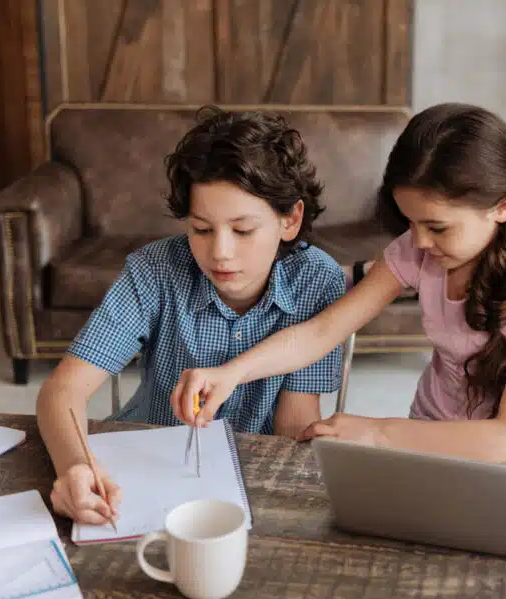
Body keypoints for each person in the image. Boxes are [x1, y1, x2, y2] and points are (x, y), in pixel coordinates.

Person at [169, 102, 506, 464]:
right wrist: (231, 373)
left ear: (504, 207)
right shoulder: (421, 249)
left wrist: (376, 432)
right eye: (411, 222)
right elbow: (321, 332)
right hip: (428, 432)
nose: (418, 241)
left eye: (437, 226)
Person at [36, 107, 345, 525]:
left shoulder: (318, 279)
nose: (219, 252)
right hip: (140, 468)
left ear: (290, 219)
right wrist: (75, 466)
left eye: (242, 230)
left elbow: (294, 422)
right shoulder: (154, 269)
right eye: (201, 229)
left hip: (247, 486)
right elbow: (62, 391)